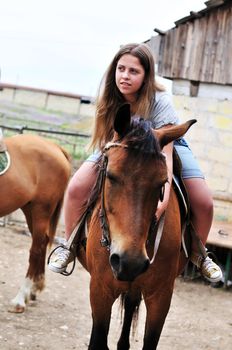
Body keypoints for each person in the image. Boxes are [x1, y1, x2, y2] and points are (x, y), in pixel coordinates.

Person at [48, 43, 222, 283]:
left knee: (203, 200)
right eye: (121, 69)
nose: (125, 76)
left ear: (146, 75)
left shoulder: (159, 101)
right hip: (119, 147)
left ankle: (200, 255)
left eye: (133, 71)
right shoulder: (109, 98)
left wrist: (166, 193)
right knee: (77, 187)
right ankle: (68, 245)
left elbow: (166, 155)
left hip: (163, 148)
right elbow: (104, 139)